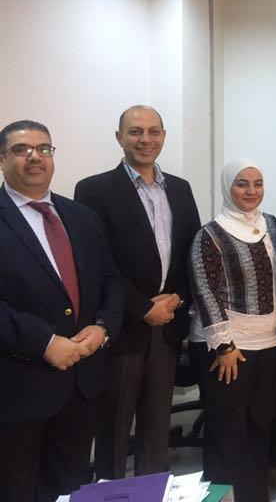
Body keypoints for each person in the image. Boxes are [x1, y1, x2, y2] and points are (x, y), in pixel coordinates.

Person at [74, 105, 201, 478]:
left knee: (156, 426)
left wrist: (178, 298)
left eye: (153, 131)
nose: (146, 139)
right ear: (119, 138)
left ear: (164, 136)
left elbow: (191, 251)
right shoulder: (94, 190)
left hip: (167, 326)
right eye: (135, 132)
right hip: (124, 327)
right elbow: (97, 261)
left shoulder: (180, 188)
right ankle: (111, 492)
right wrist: (142, 307)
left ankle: (152, 490)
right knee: (114, 428)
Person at [0, 120, 123, 502]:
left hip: (81, 386)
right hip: (19, 387)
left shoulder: (81, 216)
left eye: (44, 148)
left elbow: (111, 280)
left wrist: (103, 327)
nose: (34, 157)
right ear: (2, 160)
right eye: (21, 150)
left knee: (70, 488)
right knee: (17, 489)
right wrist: (44, 342)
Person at [188, 159, 276, 502]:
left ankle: (255, 496)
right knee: (227, 428)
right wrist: (224, 345)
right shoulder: (209, 234)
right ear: (228, 188)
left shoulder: (272, 226)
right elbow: (204, 290)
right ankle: (221, 498)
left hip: (270, 341)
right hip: (228, 348)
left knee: (261, 423)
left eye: (257, 183)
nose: (251, 191)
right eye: (242, 184)